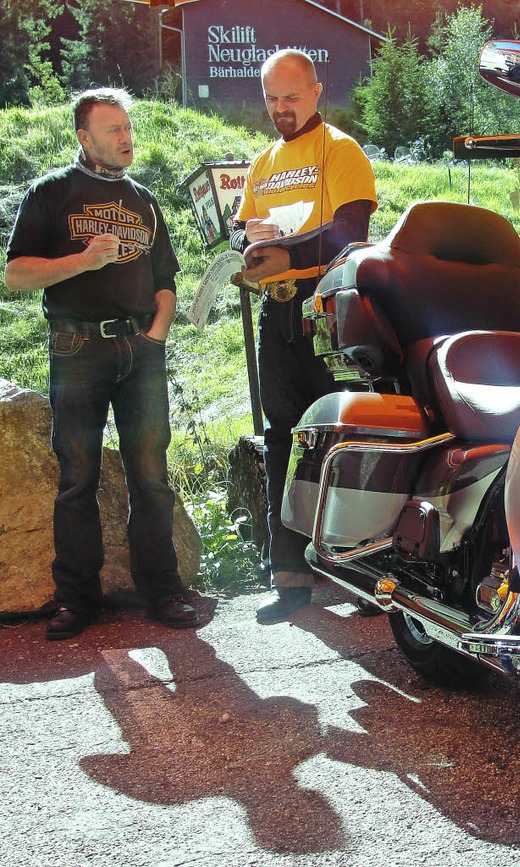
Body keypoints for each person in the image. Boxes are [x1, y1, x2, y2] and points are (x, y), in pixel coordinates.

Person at [4, 87, 198, 640]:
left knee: (151, 476)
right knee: (78, 479)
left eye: (127, 126)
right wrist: (81, 261)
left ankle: (163, 592)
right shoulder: (51, 193)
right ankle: (76, 600)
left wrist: (156, 337)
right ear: (84, 138)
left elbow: (166, 279)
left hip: (141, 353)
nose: (126, 137)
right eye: (112, 130)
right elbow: (15, 274)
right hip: (76, 349)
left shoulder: (144, 199)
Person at [230, 49, 377, 624]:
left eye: (291, 97)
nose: (281, 109)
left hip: (331, 310)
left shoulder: (341, 151)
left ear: (317, 91)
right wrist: (245, 244)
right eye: (271, 98)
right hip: (278, 313)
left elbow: (351, 231)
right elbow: (244, 228)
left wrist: (284, 251)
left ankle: (365, 571)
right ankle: (290, 573)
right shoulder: (263, 161)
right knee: (280, 438)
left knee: (349, 434)